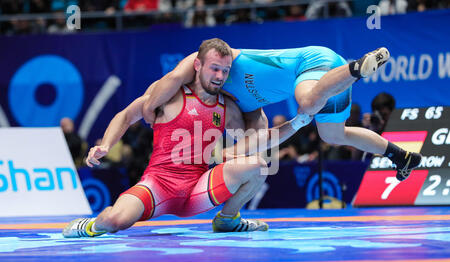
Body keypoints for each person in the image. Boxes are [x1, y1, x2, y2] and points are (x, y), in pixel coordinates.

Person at [62, 38, 308, 238]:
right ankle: (90, 225)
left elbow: (257, 141)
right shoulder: (169, 94)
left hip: (197, 190)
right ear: (197, 65)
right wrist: (105, 145)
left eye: (225, 71)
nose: (220, 76)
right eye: (214, 68)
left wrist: (297, 122)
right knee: (115, 220)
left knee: (258, 166)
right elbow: (126, 115)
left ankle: (228, 219)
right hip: (158, 185)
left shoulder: (228, 107)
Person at [142, 44, 422, 182]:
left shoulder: (217, 63)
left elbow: (173, 78)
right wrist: (226, 156)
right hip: (331, 82)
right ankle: (401, 156)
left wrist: (148, 108)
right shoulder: (250, 111)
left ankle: (357, 68)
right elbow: (257, 143)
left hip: (314, 63)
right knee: (334, 134)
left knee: (308, 103)